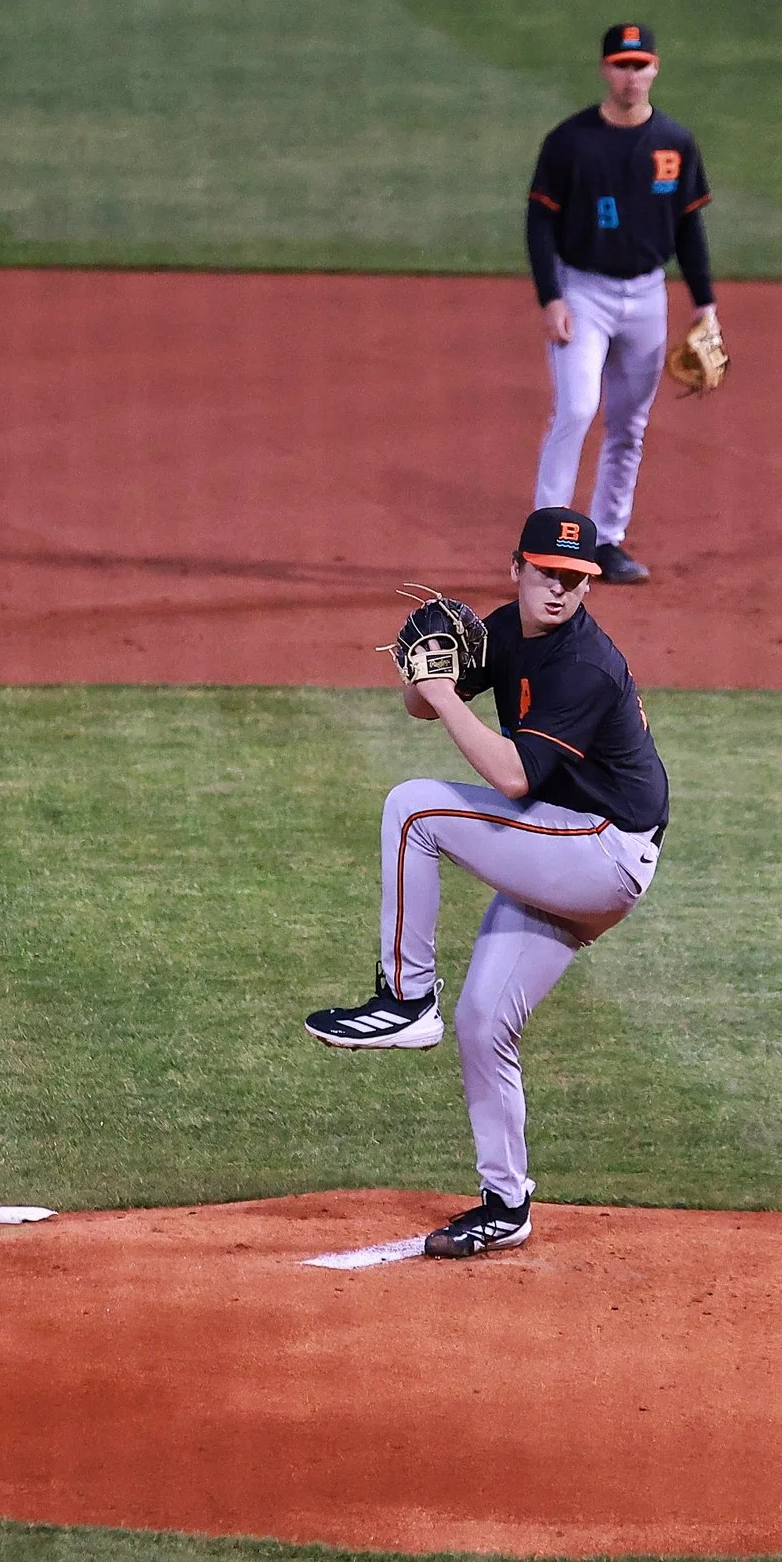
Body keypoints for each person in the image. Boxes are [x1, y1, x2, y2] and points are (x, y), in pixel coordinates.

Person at [306, 507, 669, 1258]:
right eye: (548, 573)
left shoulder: (583, 664)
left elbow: (509, 775)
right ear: (517, 568)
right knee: (483, 1021)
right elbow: (420, 701)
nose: (561, 590)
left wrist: (440, 697)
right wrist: (427, 674)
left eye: (576, 579)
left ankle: (405, 999)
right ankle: (507, 1203)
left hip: (602, 853)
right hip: (564, 847)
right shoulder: (506, 629)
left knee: (414, 808)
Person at [525, 21, 718, 587]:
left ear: (655, 68)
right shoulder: (570, 141)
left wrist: (705, 304)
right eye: (620, 65)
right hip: (583, 291)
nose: (630, 76)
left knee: (629, 424)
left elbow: (689, 228)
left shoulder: (676, 143)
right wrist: (551, 296)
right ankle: (543, 545)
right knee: (578, 409)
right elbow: (540, 220)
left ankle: (607, 540)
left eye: (640, 65)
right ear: (604, 69)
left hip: (647, 296)